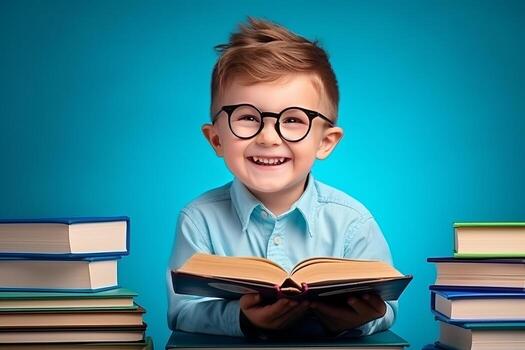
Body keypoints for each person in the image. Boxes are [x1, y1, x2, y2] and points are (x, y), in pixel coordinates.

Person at [167, 17, 397, 338]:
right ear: (216, 139)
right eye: (247, 117)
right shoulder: (199, 219)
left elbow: (387, 308)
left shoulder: (353, 222)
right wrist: (242, 318)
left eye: (292, 120)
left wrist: (360, 318)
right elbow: (183, 311)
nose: (268, 137)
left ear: (325, 142)